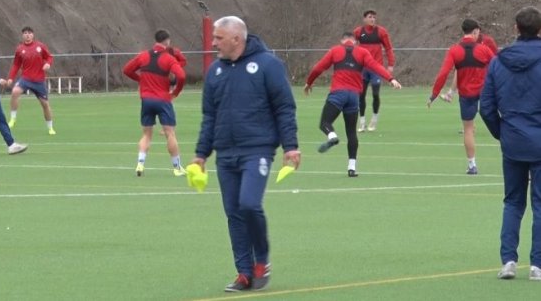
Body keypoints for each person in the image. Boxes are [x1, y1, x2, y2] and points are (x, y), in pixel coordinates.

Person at [191, 16, 300, 292]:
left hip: (258, 149)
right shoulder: (215, 71)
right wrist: (201, 154)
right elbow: (209, 117)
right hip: (226, 153)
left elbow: (284, 107)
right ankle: (244, 273)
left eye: (218, 38)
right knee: (234, 214)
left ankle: (261, 260)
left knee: (249, 204)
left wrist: (291, 146)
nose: (212, 42)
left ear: (236, 39)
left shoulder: (268, 65)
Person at [479, 6, 541, 282]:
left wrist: (501, 132)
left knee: (512, 202)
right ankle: (538, 264)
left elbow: (487, 106)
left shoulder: (498, 61)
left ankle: (509, 261)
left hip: (513, 139)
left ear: (516, 29)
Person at [304, 32, 401, 177]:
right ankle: (351, 168)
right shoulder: (363, 52)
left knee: (325, 122)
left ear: (342, 40)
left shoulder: (335, 51)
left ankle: (332, 136)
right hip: (354, 97)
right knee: (351, 133)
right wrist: (391, 79)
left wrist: (309, 82)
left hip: (338, 94)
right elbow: (376, 66)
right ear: (355, 41)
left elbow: (318, 68)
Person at [428, 19, 495, 175]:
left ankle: (472, 165)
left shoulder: (454, 50)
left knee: (468, 129)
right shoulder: (484, 50)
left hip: (466, 95)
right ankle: (515, 159)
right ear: (476, 31)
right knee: (503, 127)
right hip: (486, 93)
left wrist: (434, 93)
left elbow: (444, 73)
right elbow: (497, 68)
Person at [123, 29, 187, 177]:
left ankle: (140, 164)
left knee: (146, 134)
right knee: (170, 133)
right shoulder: (169, 58)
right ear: (167, 41)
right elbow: (182, 76)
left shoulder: (143, 55)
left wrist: (141, 80)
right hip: (163, 99)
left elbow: (127, 70)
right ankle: (177, 168)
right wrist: (176, 92)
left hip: (146, 100)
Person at [6, 26, 56, 135]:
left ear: (33, 35)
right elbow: (16, 65)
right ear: (22, 35)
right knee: (15, 92)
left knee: (45, 105)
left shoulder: (40, 46)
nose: (27, 35)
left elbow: (49, 57)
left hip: (39, 81)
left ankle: (50, 128)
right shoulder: (20, 49)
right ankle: (13, 119)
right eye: (25, 33)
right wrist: (10, 78)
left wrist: (48, 63)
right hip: (26, 79)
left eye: (29, 33)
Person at [353, 9, 395, 132]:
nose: (372, 19)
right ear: (364, 19)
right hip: (362, 69)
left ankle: (374, 119)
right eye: (370, 17)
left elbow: (388, 48)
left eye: (374, 17)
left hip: (376, 68)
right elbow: (352, 48)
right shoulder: (358, 32)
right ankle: (362, 122)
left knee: (375, 94)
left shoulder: (381, 32)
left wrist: (390, 65)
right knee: (361, 95)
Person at [440, 30, 498, 102]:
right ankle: (450, 94)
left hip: (485, 66)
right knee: (458, 70)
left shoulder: (488, 40)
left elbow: (495, 56)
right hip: (471, 65)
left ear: (477, 32)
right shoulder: (467, 41)